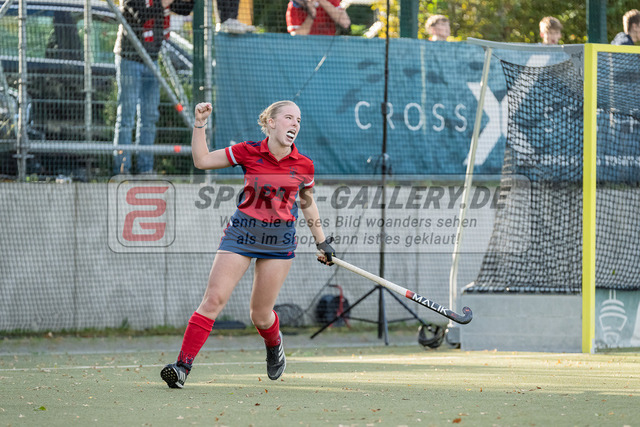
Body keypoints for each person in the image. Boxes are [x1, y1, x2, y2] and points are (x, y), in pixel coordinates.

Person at [160, 100, 336, 388]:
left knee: (260, 315)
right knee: (213, 300)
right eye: (289, 118)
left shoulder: (304, 165)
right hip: (241, 234)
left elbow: (307, 203)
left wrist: (322, 242)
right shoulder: (248, 151)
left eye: (298, 120)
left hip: (279, 241)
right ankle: (182, 367)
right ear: (271, 123)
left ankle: (274, 344)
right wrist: (200, 123)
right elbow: (202, 161)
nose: (295, 124)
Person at [113, 0, 193, 175]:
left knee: (149, 117)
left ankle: (145, 169)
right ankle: (122, 169)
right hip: (130, 57)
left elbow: (185, 9)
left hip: (152, 58)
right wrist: (163, 2)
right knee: (126, 117)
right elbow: (141, 15)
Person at [286, 0, 351, 36]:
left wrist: (321, 2)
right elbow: (296, 36)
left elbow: (345, 23)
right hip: (306, 47)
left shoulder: (332, 1)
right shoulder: (294, 5)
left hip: (328, 46)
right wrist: (311, 15)